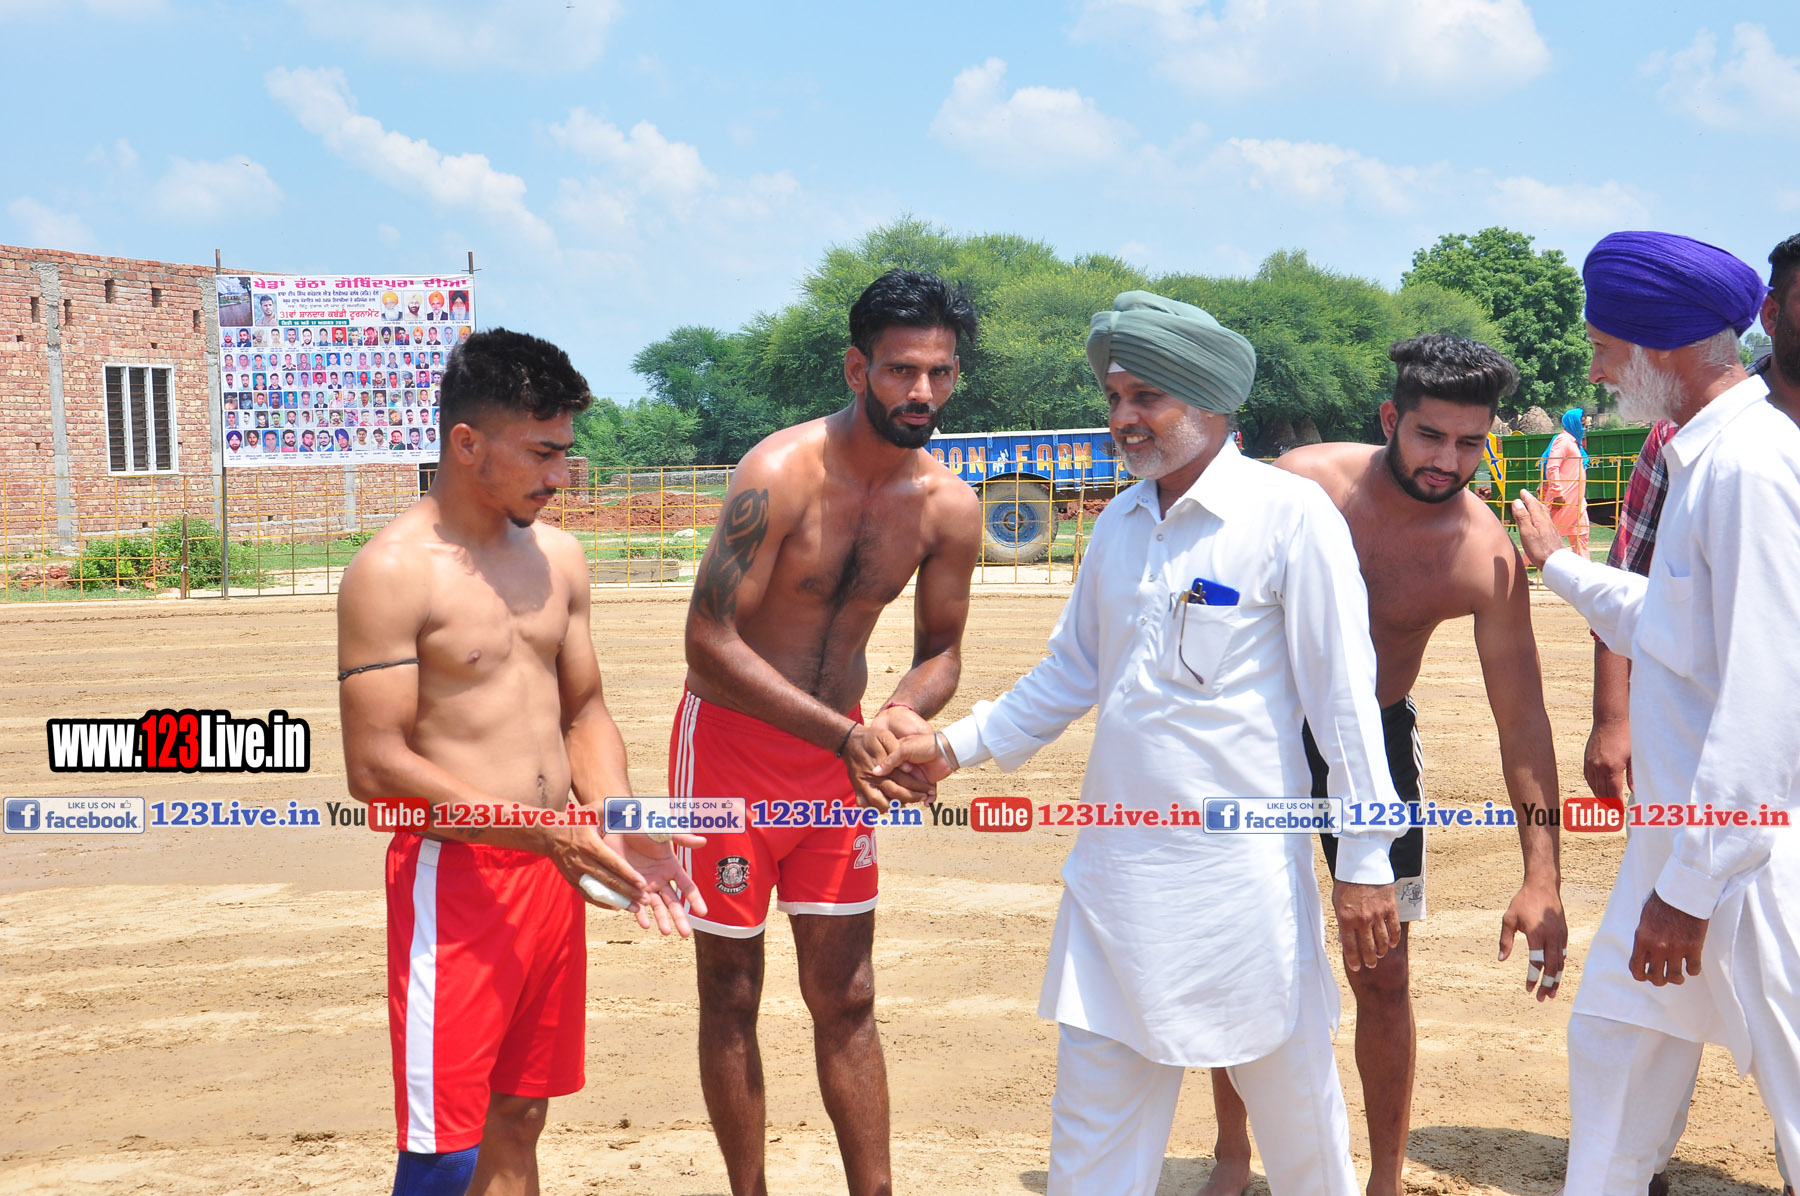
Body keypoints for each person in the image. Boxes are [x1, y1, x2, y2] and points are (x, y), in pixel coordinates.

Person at [883, 291, 1405, 1196]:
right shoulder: (1120, 525)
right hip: (1116, 887)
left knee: (1306, 1148)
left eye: (1146, 397)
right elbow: (1073, 673)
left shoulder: (1289, 516)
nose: (1122, 417)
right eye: (1115, 397)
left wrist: (1364, 861)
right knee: (1090, 1151)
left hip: (1241, 891)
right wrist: (951, 748)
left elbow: (1344, 704)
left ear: (1211, 401)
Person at [337, 328, 705, 1196]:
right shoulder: (391, 572)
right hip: (457, 878)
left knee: (521, 1115)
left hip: (555, 869)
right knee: (444, 1148)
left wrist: (616, 818)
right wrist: (544, 833)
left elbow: (584, 710)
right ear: (467, 443)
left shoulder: (559, 559)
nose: (561, 474)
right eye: (543, 452)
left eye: (566, 452)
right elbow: (375, 767)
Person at [1200, 335, 1566, 1196]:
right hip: (1258, 738)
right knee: (1243, 952)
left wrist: (1542, 874)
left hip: (1377, 744)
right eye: (1430, 435)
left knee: (1383, 967)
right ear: (1390, 418)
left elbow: (1522, 719)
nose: (1448, 461)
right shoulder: (1301, 484)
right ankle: (1231, 1156)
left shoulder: (1480, 552)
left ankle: (1386, 1178)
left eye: (1470, 443)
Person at [675, 269, 981, 1196]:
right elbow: (708, 643)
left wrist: (897, 716)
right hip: (728, 753)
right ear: (857, 369)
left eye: (938, 372)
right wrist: (843, 738)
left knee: (848, 995)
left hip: (838, 762)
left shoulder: (948, 507)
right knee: (732, 991)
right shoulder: (778, 474)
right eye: (900, 370)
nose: (921, 391)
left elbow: (941, 652)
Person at [1509, 230, 1800, 1196]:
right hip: (1681, 846)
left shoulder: (1749, 468)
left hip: (1751, 864)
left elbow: (1767, 692)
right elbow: (1679, 629)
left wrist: (1692, 888)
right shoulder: (1706, 456)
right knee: (1615, 1041)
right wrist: (1561, 567)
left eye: (1603, 347)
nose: (1595, 369)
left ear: (1660, 347)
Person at [1540, 407, 1591, 558]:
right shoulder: (1563, 441)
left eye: (1585, 425)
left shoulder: (1574, 443)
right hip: (1563, 501)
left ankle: (1584, 570)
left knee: (1581, 538)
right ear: (1573, 423)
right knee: (1546, 539)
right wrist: (1557, 494)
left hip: (1577, 502)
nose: (1583, 429)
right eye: (1581, 425)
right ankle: (1519, 567)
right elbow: (1552, 466)